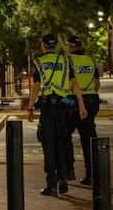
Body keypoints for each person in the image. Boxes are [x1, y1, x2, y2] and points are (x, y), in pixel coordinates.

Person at [27, 33, 87, 197]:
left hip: (47, 109)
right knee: (60, 144)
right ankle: (63, 179)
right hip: (63, 107)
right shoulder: (66, 61)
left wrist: (30, 108)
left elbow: (36, 88)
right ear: (55, 46)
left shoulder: (39, 63)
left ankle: (51, 184)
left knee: (48, 146)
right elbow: (75, 85)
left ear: (43, 46)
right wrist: (81, 105)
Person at [63, 34, 100, 185]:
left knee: (64, 135)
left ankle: (69, 169)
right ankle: (91, 174)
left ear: (71, 46)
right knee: (89, 139)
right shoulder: (90, 60)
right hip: (90, 101)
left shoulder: (68, 61)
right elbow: (97, 83)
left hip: (72, 101)